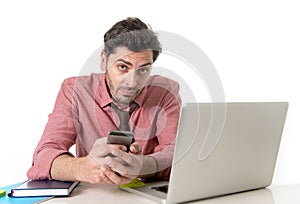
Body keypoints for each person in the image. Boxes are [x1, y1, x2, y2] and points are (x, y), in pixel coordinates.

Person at [27, 17, 181, 185]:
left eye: (143, 69)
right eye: (123, 67)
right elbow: (43, 155)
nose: (132, 82)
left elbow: (176, 153)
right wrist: (81, 168)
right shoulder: (75, 91)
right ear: (103, 60)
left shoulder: (166, 91)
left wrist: (143, 166)